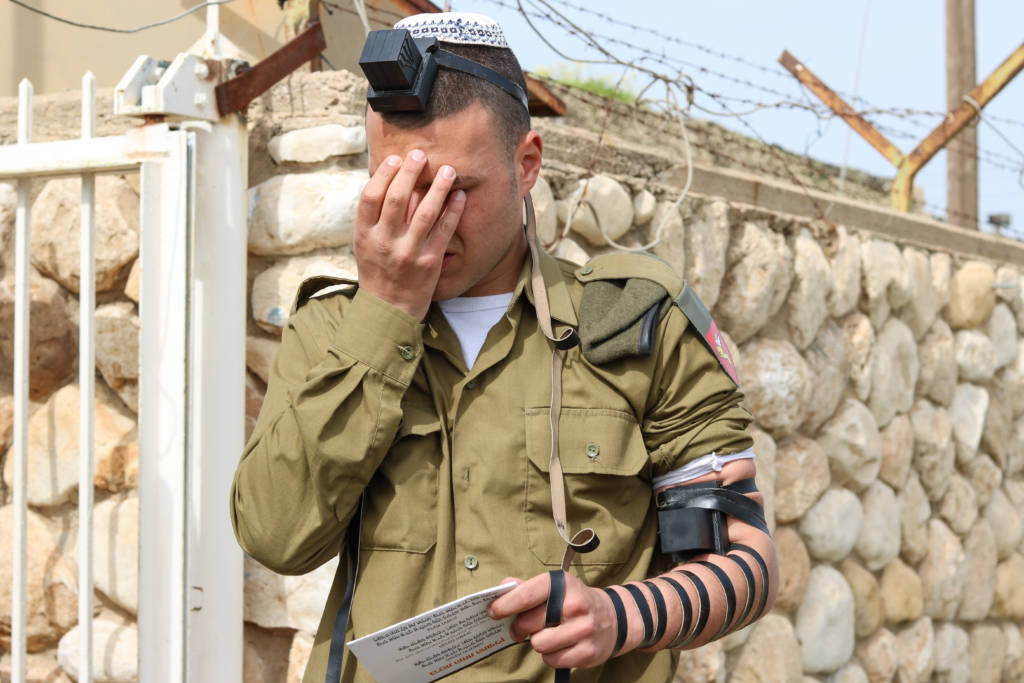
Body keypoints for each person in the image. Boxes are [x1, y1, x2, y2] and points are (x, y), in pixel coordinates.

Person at [231, 12, 777, 683]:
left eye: (455, 189)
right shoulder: (332, 331)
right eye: (399, 186)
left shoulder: (636, 324)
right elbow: (276, 537)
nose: (426, 218)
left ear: (527, 165)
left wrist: (620, 614)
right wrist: (385, 314)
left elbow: (748, 565)